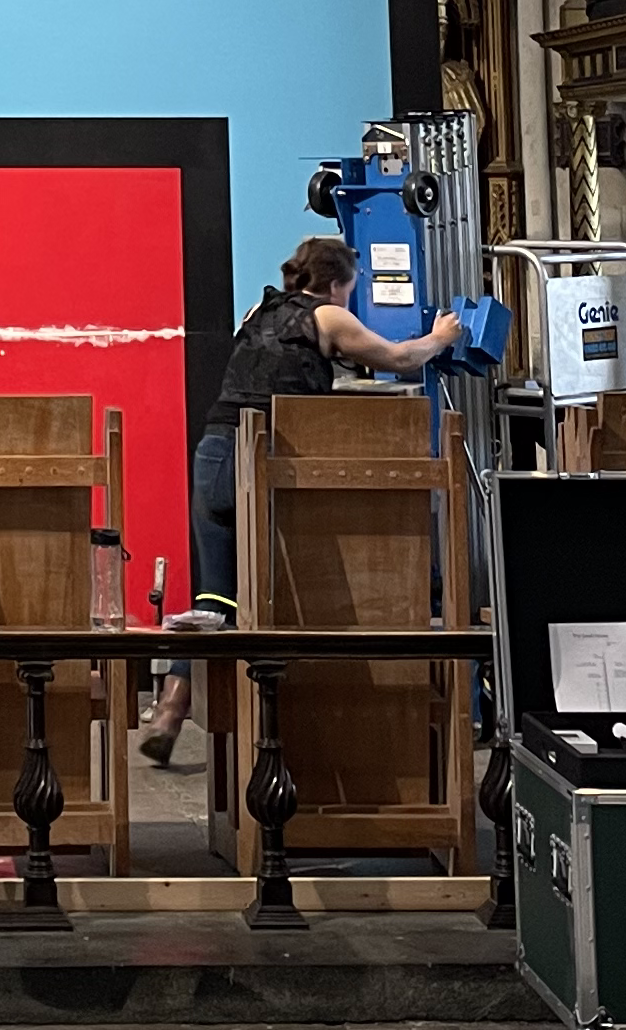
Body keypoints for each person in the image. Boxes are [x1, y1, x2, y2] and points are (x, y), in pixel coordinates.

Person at [140, 236, 460, 762]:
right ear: (337, 284)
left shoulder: (258, 308)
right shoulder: (328, 317)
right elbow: (400, 359)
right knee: (285, 596)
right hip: (262, 462)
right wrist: (442, 335)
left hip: (215, 453)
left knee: (216, 599)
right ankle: (289, 732)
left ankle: (172, 710)